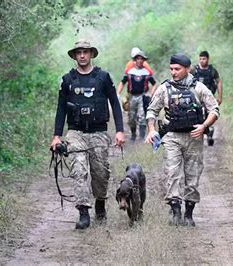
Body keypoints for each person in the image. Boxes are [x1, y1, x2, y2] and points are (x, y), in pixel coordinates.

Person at [50, 39, 125, 230]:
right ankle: (83, 211)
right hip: (76, 133)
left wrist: (119, 131)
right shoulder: (68, 80)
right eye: (79, 52)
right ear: (74, 56)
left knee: (100, 173)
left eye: (86, 52)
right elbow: (61, 109)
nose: (82, 55)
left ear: (91, 54)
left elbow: (115, 104)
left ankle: (100, 204)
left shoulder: (103, 77)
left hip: (99, 132)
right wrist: (57, 136)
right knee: (79, 171)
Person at [145, 53, 219, 226]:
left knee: (192, 176)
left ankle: (189, 214)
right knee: (172, 173)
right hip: (171, 137)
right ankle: (176, 212)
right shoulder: (165, 88)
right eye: (171, 69)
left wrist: (204, 126)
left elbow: (214, 109)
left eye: (177, 69)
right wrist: (151, 130)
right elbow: (151, 111)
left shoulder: (199, 88)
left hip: (194, 138)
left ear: (187, 69)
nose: (173, 72)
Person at [117, 49, 157, 140]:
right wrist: (118, 93)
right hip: (131, 97)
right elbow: (122, 82)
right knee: (131, 117)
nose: (140, 60)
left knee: (142, 116)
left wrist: (151, 94)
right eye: (138, 58)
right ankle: (133, 135)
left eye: (141, 59)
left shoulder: (146, 72)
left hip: (142, 97)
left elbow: (154, 83)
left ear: (144, 60)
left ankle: (142, 138)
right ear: (135, 60)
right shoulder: (129, 71)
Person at [190, 50, 222, 146]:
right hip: (196, 97)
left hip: (209, 98)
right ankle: (195, 136)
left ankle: (209, 134)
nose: (202, 60)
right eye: (200, 59)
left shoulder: (212, 71)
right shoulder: (194, 70)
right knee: (195, 116)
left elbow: (218, 82)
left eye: (204, 59)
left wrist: (220, 96)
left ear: (208, 59)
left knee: (209, 116)